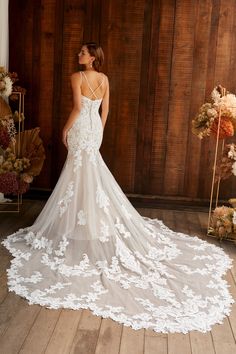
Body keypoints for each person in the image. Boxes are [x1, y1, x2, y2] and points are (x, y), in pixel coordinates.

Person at [1, 42, 234, 334]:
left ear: (92, 57)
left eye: (83, 52)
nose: (78, 55)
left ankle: (78, 223)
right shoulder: (106, 79)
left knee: (78, 175)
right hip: (95, 128)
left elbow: (76, 107)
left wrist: (64, 129)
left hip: (80, 127)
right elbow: (105, 109)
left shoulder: (77, 77)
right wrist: (99, 129)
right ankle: (86, 222)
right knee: (88, 174)